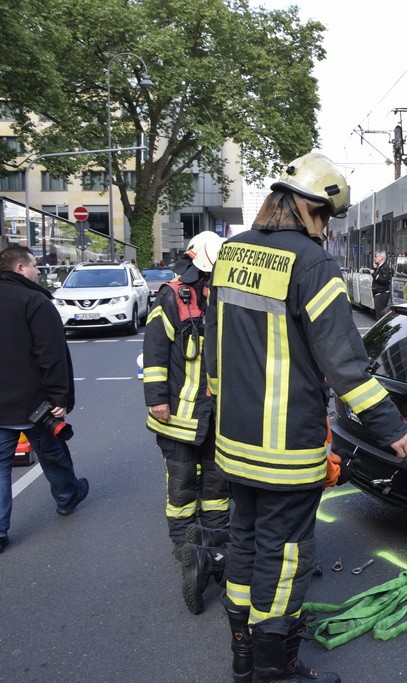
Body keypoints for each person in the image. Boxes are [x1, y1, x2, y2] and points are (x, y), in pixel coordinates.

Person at [206, 151, 407, 683]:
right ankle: (272, 667)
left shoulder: (231, 255)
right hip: (285, 446)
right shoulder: (312, 264)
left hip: (233, 439)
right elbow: (345, 364)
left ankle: (242, 654)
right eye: (326, 216)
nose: (325, 229)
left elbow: (212, 347)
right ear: (306, 207)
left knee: (245, 541)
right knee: (284, 556)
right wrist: (394, 429)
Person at [142, 230, 230, 615]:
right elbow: (155, 351)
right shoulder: (172, 296)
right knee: (181, 485)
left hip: (215, 416)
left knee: (216, 484)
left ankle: (212, 546)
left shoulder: (223, 295)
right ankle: (184, 548)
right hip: (178, 413)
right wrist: (157, 399)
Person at [0, 245, 89, 553]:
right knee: (52, 453)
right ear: (21, 268)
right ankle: (67, 498)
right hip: (34, 404)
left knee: (0, 467)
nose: (39, 271)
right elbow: (51, 355)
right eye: (35, 266)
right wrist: (59, 396)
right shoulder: (34, 301)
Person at [370, 250, 392, 319]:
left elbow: (383, 280)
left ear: (382, 258)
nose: (375, 258)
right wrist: (375, 268)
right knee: (379, 315)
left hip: (381, 295)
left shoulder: (385, 267)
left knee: (380, 317)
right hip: (379, 294)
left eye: (376, 257)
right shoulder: (380, 267)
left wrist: (373, 273)